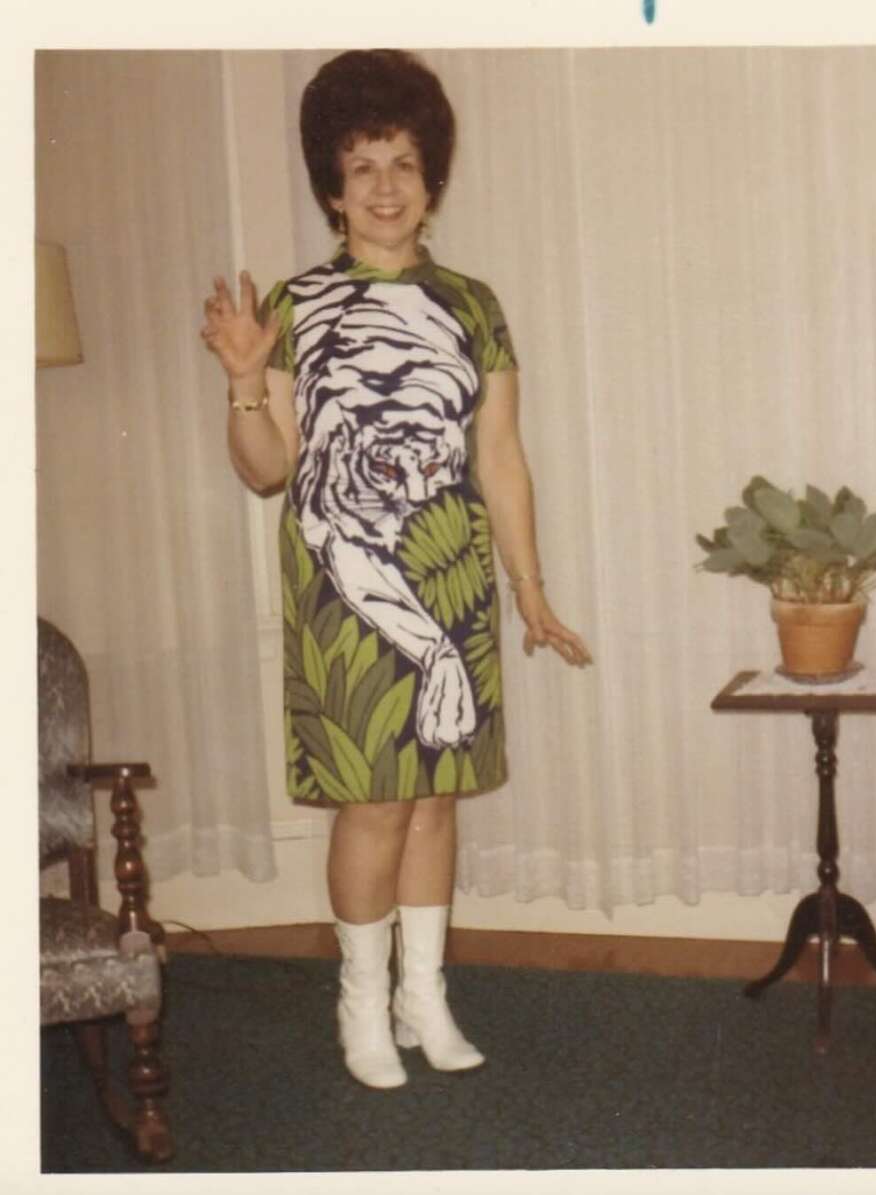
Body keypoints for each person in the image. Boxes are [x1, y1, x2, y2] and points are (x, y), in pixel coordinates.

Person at [200, 49, 591, 1090]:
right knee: (373, 801)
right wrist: (246, 380)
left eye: (403, 162)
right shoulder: (293, 303)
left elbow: (500, 457)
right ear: (331, 186)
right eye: (362, 164)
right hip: (346, 585)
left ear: (432, 177)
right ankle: (360, 1005)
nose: (384, 185)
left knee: (437, 799)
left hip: (451, 572)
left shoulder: (474, 303)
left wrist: (531, 590)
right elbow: (267, 469)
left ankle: (425, 996)